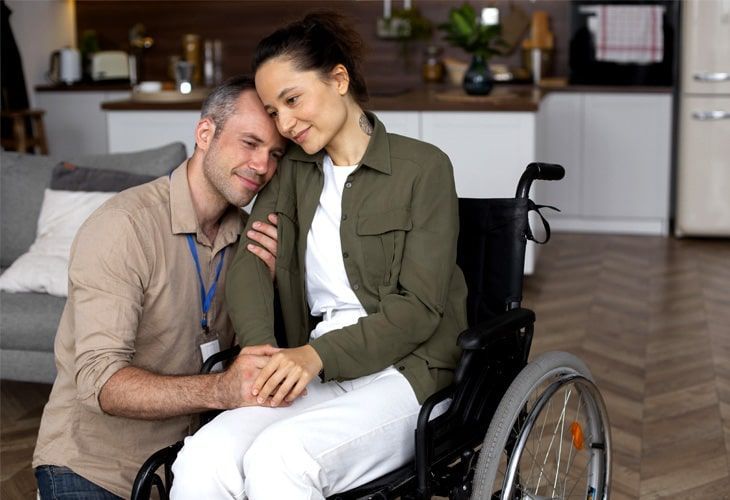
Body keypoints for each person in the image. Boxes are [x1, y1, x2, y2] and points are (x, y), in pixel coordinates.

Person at [170, 11, 469, 499]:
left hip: (408, 371)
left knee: (282, 459)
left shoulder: (424, 168)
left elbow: (419, 309)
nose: (284, 124)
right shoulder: (293, 173)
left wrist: (313, 357)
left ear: (338, 79)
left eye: (292, 100)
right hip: (313, 358)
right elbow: (248, 262)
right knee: (204, 457)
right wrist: (261, 351)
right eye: (272, 112)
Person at [32, 75, 287, 499]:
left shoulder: (251, 238)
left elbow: (259, 358)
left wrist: (275, 287)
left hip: (191, 465)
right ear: (205, 133)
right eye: (250, 143)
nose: (262, 165)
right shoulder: (123, 227)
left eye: (274, 153)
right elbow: (101, 381)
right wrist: (221, 390)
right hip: (94, 467)